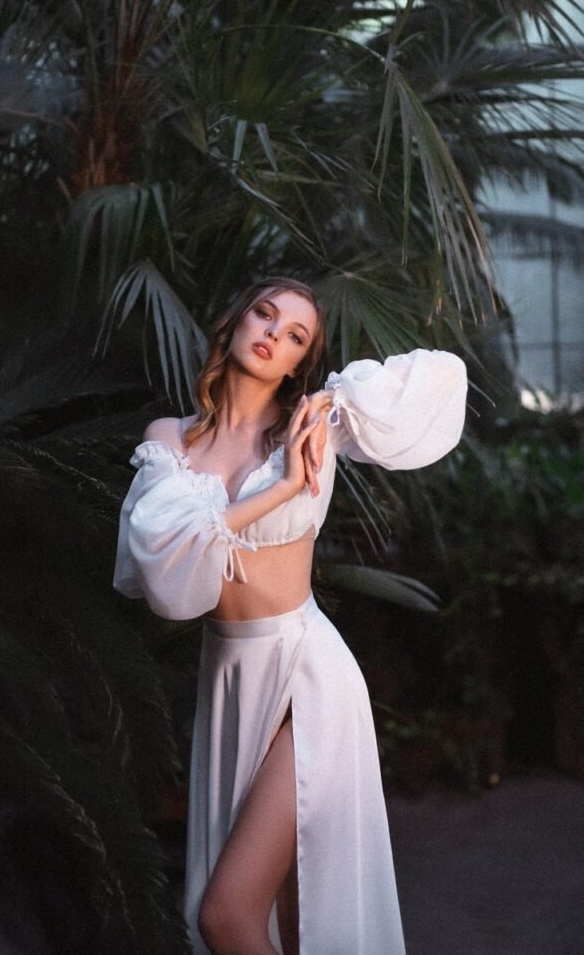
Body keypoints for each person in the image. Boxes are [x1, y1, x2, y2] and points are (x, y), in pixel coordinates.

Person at [114, 277, 467, 955]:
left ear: (299, 361)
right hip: (230, 678)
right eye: (265, 314)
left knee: (227, 916)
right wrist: (279, 488)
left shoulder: (312, 424)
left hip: (309, 674)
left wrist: (340, 398)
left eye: (296, 335)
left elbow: (442, 378)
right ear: (237, 320)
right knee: (284, 921)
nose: (274, 333)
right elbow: (163, 565)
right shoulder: (170, 440)